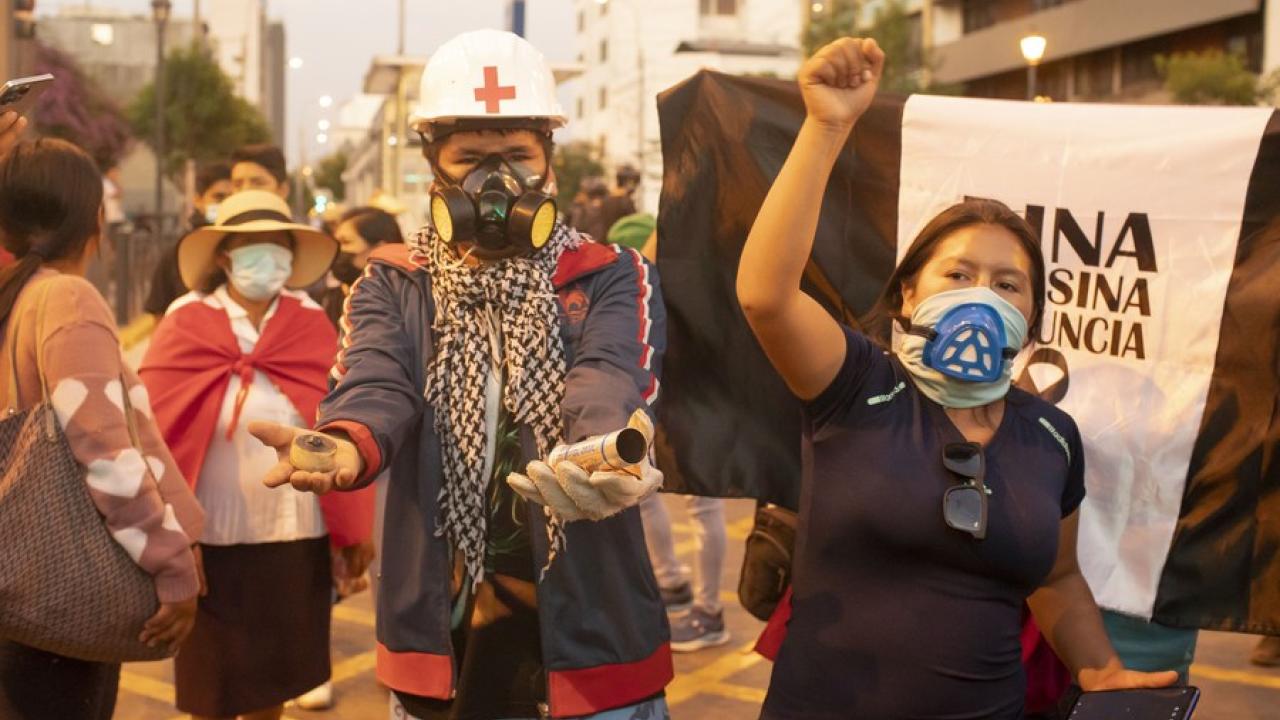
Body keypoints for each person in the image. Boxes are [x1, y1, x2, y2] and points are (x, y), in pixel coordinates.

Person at [736, 38, 1178, 718]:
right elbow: (767, 295)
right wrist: (828, 127)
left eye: (1009, 285)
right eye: (959, 274)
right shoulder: (855, 386)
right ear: (909, 294)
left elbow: (1056, 578)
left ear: (1031, 318)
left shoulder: (1053, 437)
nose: (983, 297)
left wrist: (1103, 669)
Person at [248, 29, 671, 720]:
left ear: (549, 168)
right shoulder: (393, 281)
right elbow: (377, 382)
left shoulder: (609, 274)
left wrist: (600, 456)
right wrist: (347, 443)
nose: (496, 181)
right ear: (437, 173)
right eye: (471, 159)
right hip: (441, 610)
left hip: (588, 606)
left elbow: (608, 377)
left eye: (516, 158)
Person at [139, 190, 374, 720]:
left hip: (293, 533)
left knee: (274, 682)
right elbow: (153, 429)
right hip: (210, 535)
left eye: (278, 246)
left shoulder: (312, 320)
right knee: (211, 689)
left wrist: (354, 525)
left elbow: (346, 421)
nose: (267, 257)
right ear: (224, 256)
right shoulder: (186, 320)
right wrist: (165, 533)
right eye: (253, 246)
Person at [0, 138, 204, 720]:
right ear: (94, 217)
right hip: (58, 591)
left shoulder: (16, 299)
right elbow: (105, 450)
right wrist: (173, 564)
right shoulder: (67, 297)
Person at [144, 161, 234, 317]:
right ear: (198, 200)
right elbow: (160, 317)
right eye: (219, 197)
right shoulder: (178, 252)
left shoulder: (251, 247)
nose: (226, 204)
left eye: (233, 198)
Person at [319, 205, 404, 328]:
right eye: (336, 242)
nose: (337, 250)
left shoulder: (399, 304)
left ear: (380, 249)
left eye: (346, 242)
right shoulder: (333, 296)